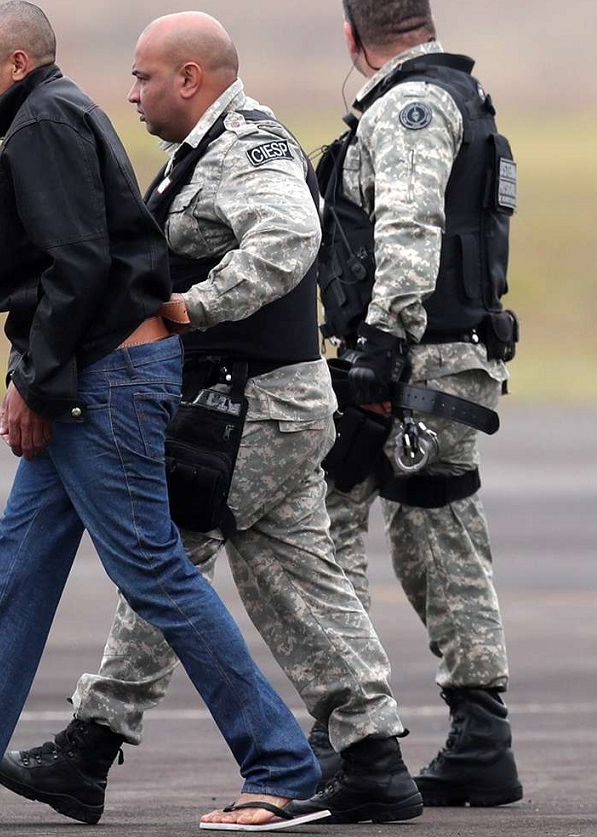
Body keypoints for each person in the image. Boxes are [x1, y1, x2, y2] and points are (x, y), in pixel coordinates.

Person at [0, 2, 331, 830]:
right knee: (17, 572)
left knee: (155, 572)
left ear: (18, 66)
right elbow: (65, 271)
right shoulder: (55, 116)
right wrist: (32, 374)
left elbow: (78, 266)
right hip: (88, 374)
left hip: (104, 381)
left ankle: (285, 766)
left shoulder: (44, 125)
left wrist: (35, 383)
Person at [0, 11, 422, 831]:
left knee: (163, 554)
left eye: (144, 78)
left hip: (253, 404)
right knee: (299, 578)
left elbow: (290, 235)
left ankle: (92, 741)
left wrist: (195, 305)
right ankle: (374, 757)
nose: (131, 93)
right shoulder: (192, 158)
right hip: (260, 405)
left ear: (190, 78)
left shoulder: (246, 146)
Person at [307, 0, 523, 810]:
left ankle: (349, 738)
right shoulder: (460, 96)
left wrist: (378, 351)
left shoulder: (407, 106)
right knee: (439, 534)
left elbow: (407, 222)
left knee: (320, 527)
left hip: (411, 365)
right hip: (457, 360)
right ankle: (481, 740)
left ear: (352, 36)